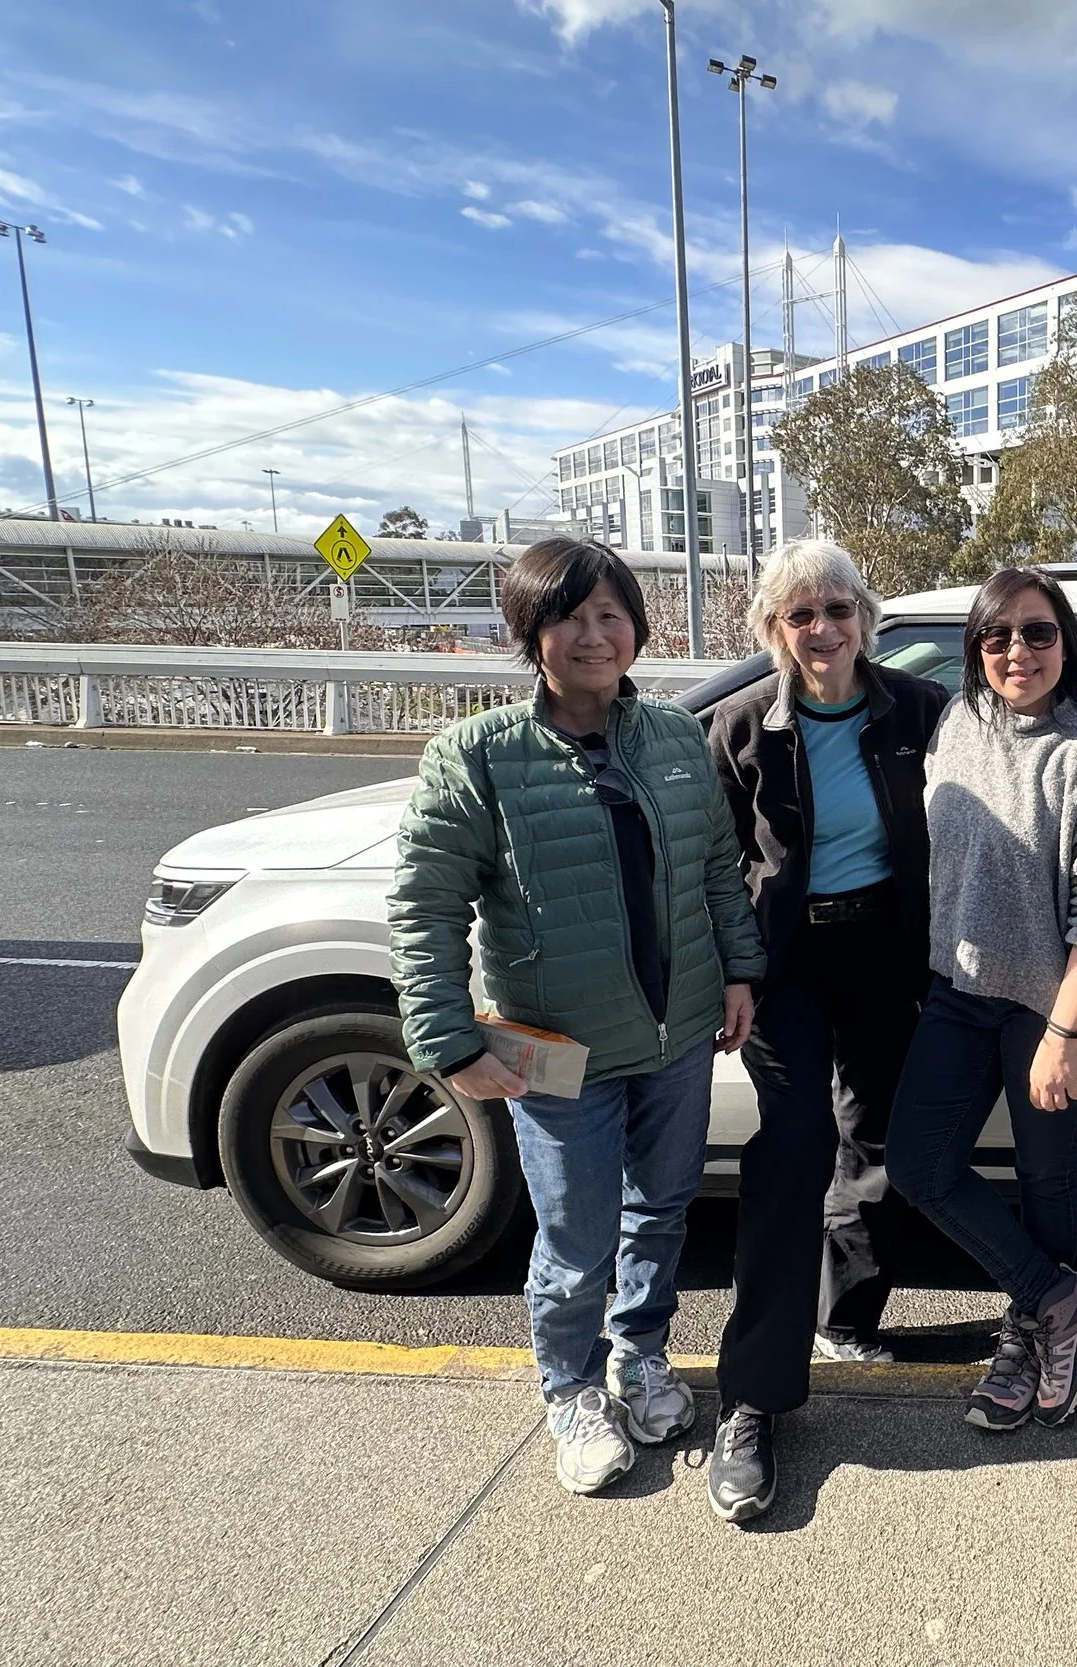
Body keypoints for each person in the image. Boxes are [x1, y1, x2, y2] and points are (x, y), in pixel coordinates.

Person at [387, 536, 764, 1498]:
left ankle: (640, 1354)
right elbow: (427, 905)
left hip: (677, 1035)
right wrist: (447, 1040)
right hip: (559, 1051)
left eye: (612, 615)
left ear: (636, 628)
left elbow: (720, 871)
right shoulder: (478, 756)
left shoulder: (677, 738)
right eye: (571, 616)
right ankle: (569, 1388)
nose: (595, 635)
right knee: (575, 1230)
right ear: (531, 632)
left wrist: (738, 973)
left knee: (663, 1207)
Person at [702, 537, 950, 1524]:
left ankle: (846, 1316)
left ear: (865, 618)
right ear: (773, 629)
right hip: (785, 963)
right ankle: (755, 1394)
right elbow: (712, 863)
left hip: (888, 951)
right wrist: (732, 968)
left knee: (880, 1134)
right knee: (795, 1148)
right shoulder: (736, 728)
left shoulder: (920, 711)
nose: (822, 629)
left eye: (837, 609)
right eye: (799, 614)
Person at [888, 569, 1077, 1433]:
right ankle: (1056, 1298)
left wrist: (1065, 1032)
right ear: (974, 649)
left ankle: (1033, 1329)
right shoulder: (957, 722)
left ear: (1066, 644)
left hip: (1052, 1005)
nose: (1018, 652)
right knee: (919, 1164)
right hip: (961, 990)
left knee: (1047, 1170)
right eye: (997, 637)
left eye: (1038, 634)